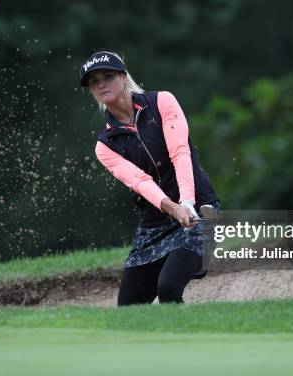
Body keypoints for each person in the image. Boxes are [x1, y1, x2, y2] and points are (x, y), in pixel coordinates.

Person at [79, 50, 222, 306]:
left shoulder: (162, 102)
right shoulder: (105, 145)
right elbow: (140, 181)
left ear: (123, 78)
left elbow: (180, 153)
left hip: (199, 209)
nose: (100, 83)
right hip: (155, 224)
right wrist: (173, 207)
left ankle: (190, 341)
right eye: (93, 81)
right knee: (129, 307)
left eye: (107, 76)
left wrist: (187, 202)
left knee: (168, 288)